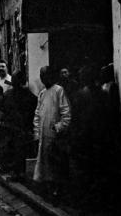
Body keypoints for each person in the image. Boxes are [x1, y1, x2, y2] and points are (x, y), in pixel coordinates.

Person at [33, 65, 71, 196]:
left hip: (55, 136)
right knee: (44, 164)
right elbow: (37, 115)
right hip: (43, 137)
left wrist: (59, 127)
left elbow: (66, 114)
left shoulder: (59, 91)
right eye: (41, 76)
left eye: (46, 75)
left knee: (55, 165)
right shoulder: (42, 94)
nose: (44, 78)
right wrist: (37, 133)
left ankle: (57, 190)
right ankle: (47, 189)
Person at [2, 71, 38, 180]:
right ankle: (18, 172)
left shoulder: (10, 94)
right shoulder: (26, 94)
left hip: (17, 127)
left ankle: (17, 172)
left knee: (17, 150)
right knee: (18, 150)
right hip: (19, 127)